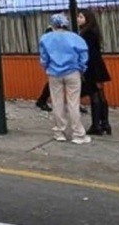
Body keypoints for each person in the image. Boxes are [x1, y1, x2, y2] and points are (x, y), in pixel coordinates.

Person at [39, 14, 91, 144]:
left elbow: (44, 57)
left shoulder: (45, 38)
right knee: (73, 103)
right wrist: (81, 67)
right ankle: (78, 134)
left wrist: (46, 67)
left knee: (57, 102)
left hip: (54, 73)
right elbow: (84, 55)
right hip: (72, 71)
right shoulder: (75, 37)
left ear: (52, 24)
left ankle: (59, 132)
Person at [78, 9, 112, 135]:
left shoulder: (87, 34)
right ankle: (105, 123)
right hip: (97, 67)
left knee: (95, 96)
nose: (78, 19)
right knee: (101, 95)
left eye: (81, 17)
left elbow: (90, 54)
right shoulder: (93, 32)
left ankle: (96, 124)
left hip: (92, 68)